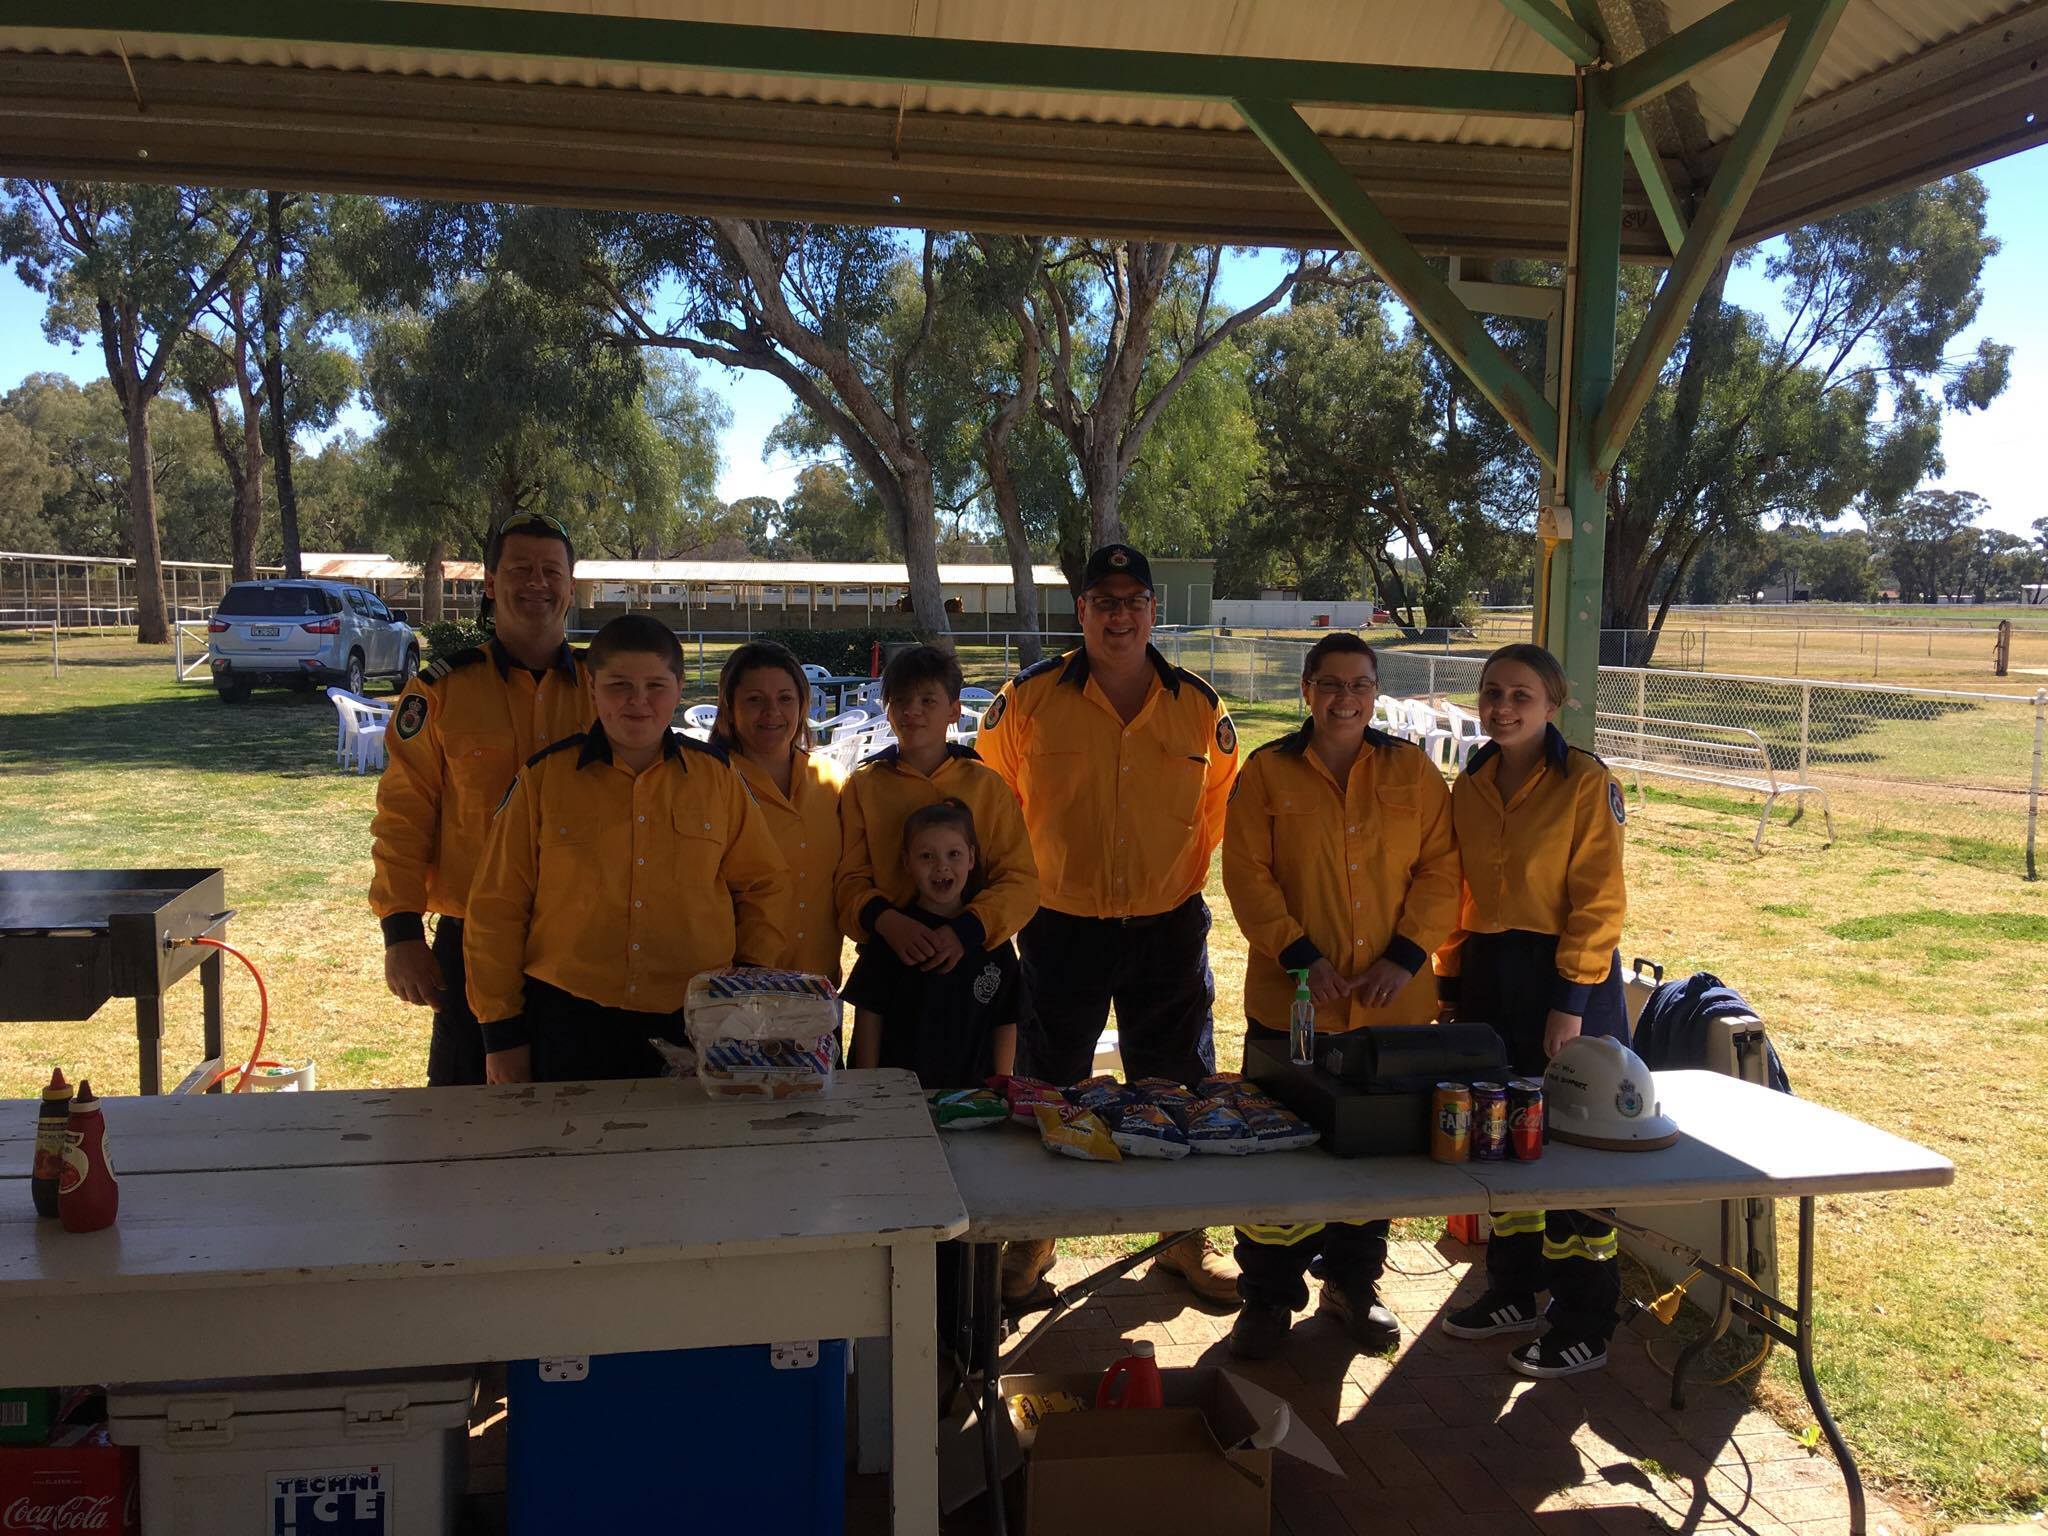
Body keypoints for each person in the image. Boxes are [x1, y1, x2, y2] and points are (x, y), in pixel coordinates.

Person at [977, 543, 1241, 1307]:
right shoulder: (1027, 701)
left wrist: (1163, 877)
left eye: (1134, 602)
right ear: (1082, 613)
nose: (1120, 615)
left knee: (1179, 1087)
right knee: (1050, 1088)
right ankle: (1033, 1244)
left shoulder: (1198, 706)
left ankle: (1183, 1241)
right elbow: (998, 804)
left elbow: (1212, 811)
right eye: (1104, 602)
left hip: (1166, 929)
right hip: (1063, 927)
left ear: (1154, 612)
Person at [1221, 633, 1460, 1358]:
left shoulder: (1412, 772)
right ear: (1306, 691)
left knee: (1373, 1152)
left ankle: (1354, 1285)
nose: (1345, 698)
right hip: (1291, 1001)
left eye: (1359, 685)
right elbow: (1246, 874)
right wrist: (1300, 956)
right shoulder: (1266, 774)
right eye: (1330, 684)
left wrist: (1407, 956)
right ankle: (1267, 1296)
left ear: (1375, 692)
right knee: (1276, 1152)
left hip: (1391, 1007)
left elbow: (1441, 870)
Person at [462, 614, 793, 1085]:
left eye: (655, 685)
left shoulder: (716, 778)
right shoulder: (543, 781)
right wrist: (501, 1034)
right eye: (619, 685)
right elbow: (496, 907)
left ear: (678, 688)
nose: (638, 702)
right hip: (568, 1018)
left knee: (690, 1155)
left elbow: (764, 883)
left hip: (695, 1019)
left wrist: (744, 989)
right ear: (592, 686)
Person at [1434, 642, 1629, 1378]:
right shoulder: (1471, 781)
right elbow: (1456, 896)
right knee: (1502, 1141)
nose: (1503, 707)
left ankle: (1586, 1318)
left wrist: (1570, 1002)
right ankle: (1514, 1290)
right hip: (1491, 977)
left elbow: (1599, 899)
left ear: (1554, 704)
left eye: (1521, 694)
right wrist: (1451, 986)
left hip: (1564, 985)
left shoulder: (1585, 783)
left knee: (1573, 1157)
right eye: (1491, 693)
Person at [370, 511, 592, 1087]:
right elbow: (403, 815)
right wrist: (401, 933)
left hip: (585, 934)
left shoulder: (609, 690)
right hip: (470, 936)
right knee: (461, 1119)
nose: (536, 582)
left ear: (573, 584)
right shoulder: (441, 692)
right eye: (519, 569)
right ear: (490, 583)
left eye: (551, 570)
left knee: (587, 1111)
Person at [834, 645, 1039, 977]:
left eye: (928, 700)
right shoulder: (864, 787)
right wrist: (888, 922)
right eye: (900, 700)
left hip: (975, 955)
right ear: (887, 711)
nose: (912, 710)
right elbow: (849, 881)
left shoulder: (987, 787)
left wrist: (966, 930)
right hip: (891, 955)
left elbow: (1020, 881)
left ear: (954, 711)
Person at [844, 800, 1025, 1087]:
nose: (942, 866)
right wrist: (868, 1084)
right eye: (926, 856)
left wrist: (1000, 1087)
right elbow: (869, 1014)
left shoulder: (991, 939)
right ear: (906, 863)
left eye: (954, 854)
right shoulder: (894, 936)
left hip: (971, 1099)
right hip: (899, 1096)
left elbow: (1006, 1020)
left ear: (971, 858)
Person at [713, 641, 848, 984]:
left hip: (818, 988)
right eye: (755, 700)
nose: (772, 712)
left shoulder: (833, 780)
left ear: (803, 705)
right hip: (738, 988)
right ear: (729, 709)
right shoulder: (709, 782)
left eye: (785, 699)